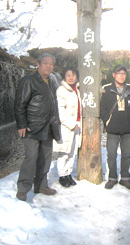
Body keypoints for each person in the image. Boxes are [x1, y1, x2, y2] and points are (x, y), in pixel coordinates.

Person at [14, 53, 61, 201]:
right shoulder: (29, 80)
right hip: (32, 127)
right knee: (31, 158)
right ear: (38, 65)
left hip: (48, 126)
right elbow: (20, 103)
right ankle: (22, 189)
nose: (49, 66)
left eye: (51, 63)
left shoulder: (52, 81)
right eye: (46, 63)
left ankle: (41, 185)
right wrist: (22, 124)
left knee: (45, 158)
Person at [100, 65, 130, 190]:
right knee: (111, 155)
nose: (121, 75)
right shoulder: (106, 89)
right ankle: (112, 178)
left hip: (128, 129)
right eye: (119, 73)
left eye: (123, 73)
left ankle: (125, 178)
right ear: (113, 75)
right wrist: (107, 121)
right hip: (112, 129)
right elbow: (102, 108)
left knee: (126, 155)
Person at [54, 67, 82, 188]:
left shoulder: (77, 89)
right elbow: (60, 112)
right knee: (64, 152)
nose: (71, 77)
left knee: (73, 151)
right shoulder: (61, 90)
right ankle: (62, 175)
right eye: (68, 75)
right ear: (64, 77)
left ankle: (69, 173)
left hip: (78, 124)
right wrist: (71, 124)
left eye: (73, 74)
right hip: (66, 126)